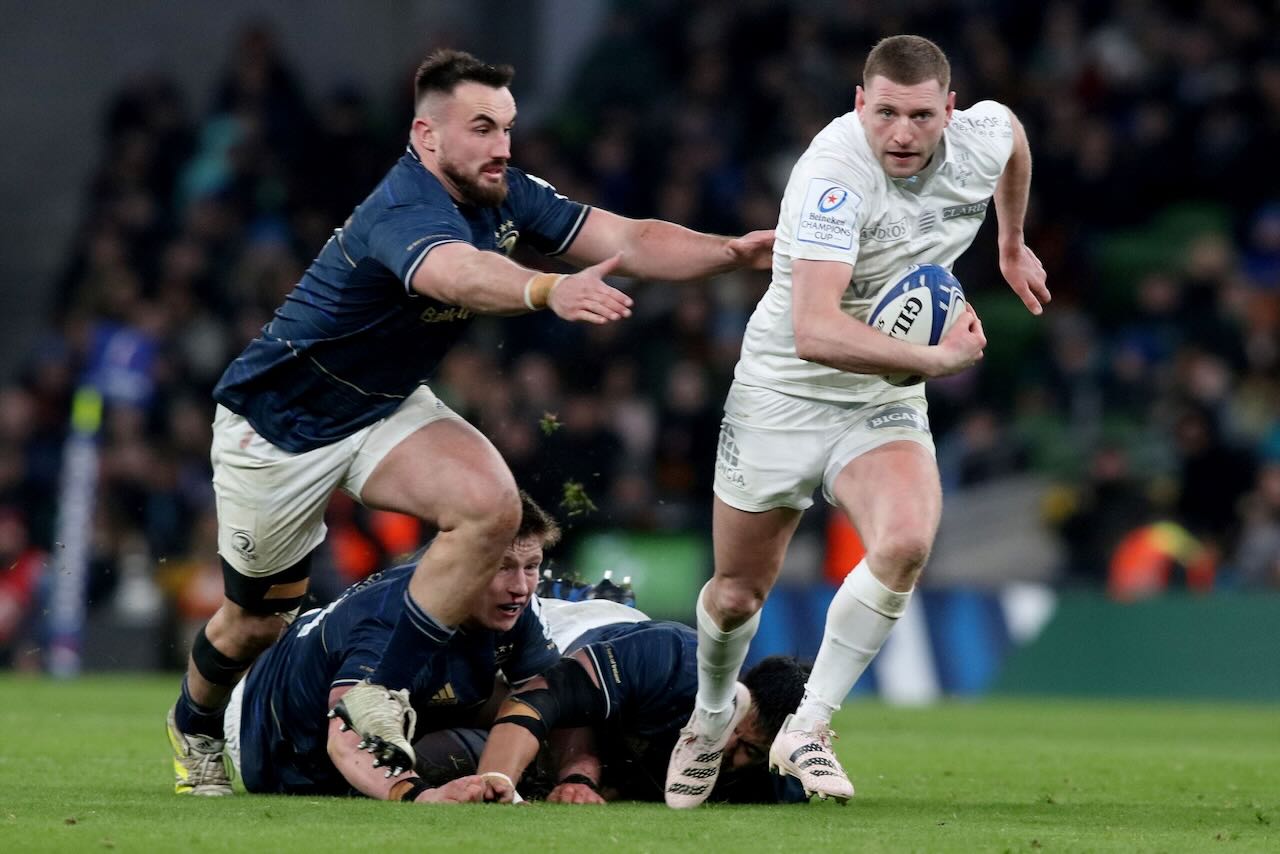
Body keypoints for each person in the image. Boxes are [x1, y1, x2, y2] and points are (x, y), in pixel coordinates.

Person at [166, 47, 773, 795]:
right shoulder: (402, 208)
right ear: (427, 136)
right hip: (280, 425)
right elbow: (454, 273)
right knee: (257, 620)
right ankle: (193, 724)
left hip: (384, 404)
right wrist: (548, 290)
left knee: (492, 507)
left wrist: (730, 252)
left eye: (507, 127)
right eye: (482, 128)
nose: (502, 146)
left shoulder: (508, 194)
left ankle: (378, 691)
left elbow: (627, 239)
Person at [665, 34, 1051, 807]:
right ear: (858, 104)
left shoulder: (979, 138)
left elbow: (1013, 136)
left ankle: (808, 726)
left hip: (880, 397)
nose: (901, 133)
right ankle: (710, 718)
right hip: (783, 392)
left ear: (950, 110)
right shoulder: (832, 179)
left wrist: (1011, 243)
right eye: (885, 114)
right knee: (737, 594)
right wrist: (936, 361)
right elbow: (814, 331)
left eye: (920, 116)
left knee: (905, 542)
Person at [219, 492, 559, 802]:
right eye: (502, 567)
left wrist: (576, 775)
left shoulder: (516, 605)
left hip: (406, 696)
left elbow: (550, 694)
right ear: (460, 565)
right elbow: (346, 733)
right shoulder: (389, 621)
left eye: (531, 566)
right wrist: (418, 795)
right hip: (266, 734)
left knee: (545, 699)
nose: (520, 587)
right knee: (448, 756)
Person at [471, 600, 811, 805]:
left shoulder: (774, 777)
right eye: (734, 727)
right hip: (557, 639)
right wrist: (499, 781)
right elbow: (543, 698)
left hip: (601, 701)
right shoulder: (668, 662)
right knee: (452, 745)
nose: (726, 747)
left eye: (750, 751)